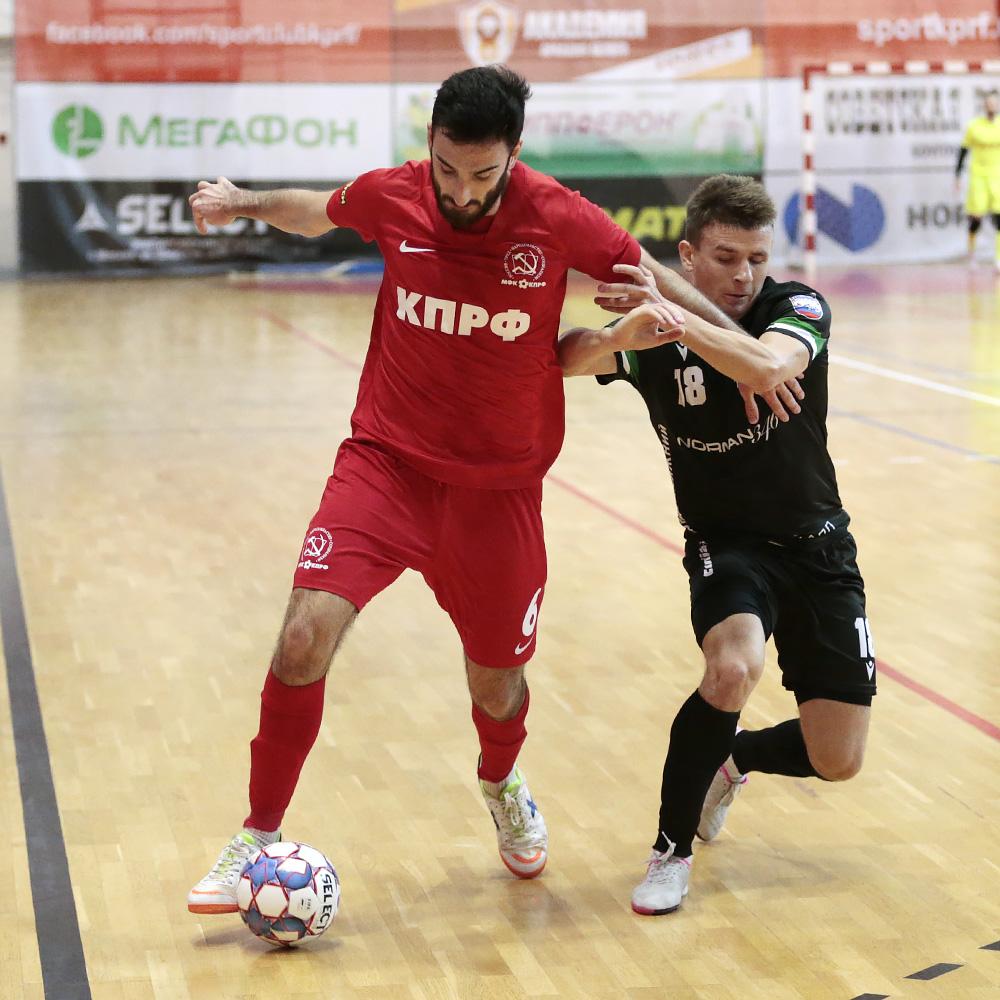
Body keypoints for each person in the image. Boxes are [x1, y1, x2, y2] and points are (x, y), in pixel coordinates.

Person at [184, 65, 745, 914]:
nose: (461, 191)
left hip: (499, 496)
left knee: (497, 686)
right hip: (386, 468)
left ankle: (501, 781)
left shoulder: (558, 216)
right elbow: (316, 210)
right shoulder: (395, 195)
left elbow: (653, 276)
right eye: (447, 169)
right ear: (431, 145)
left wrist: (742, 348)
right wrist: (243, 201)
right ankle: (258, 833)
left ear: (513, 154)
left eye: (482, 175)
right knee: (302, 638)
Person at [557, 174, 875, 915]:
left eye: (757, 258)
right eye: (726, 258)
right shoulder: (651, 336)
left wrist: (672, 315)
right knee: (733, 668)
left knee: (838, 759)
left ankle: (736, 758)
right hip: (726, 545)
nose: (744, 276)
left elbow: (766, 367)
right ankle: (671, 851)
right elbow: (564, 358)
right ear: (688, 255)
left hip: (820, 547)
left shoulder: (796, 307)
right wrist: (619, 337)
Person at [955, 89, 1000, 271]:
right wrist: (957, 175)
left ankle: (998, 259)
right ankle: (971, 254)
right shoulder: (974, 126)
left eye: (994, 103)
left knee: (999, 218)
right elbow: (963, 151)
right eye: (988, 103)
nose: (991, 106)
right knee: (976, 219)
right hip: (979, 177)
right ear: (984, 105)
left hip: (997, 178)